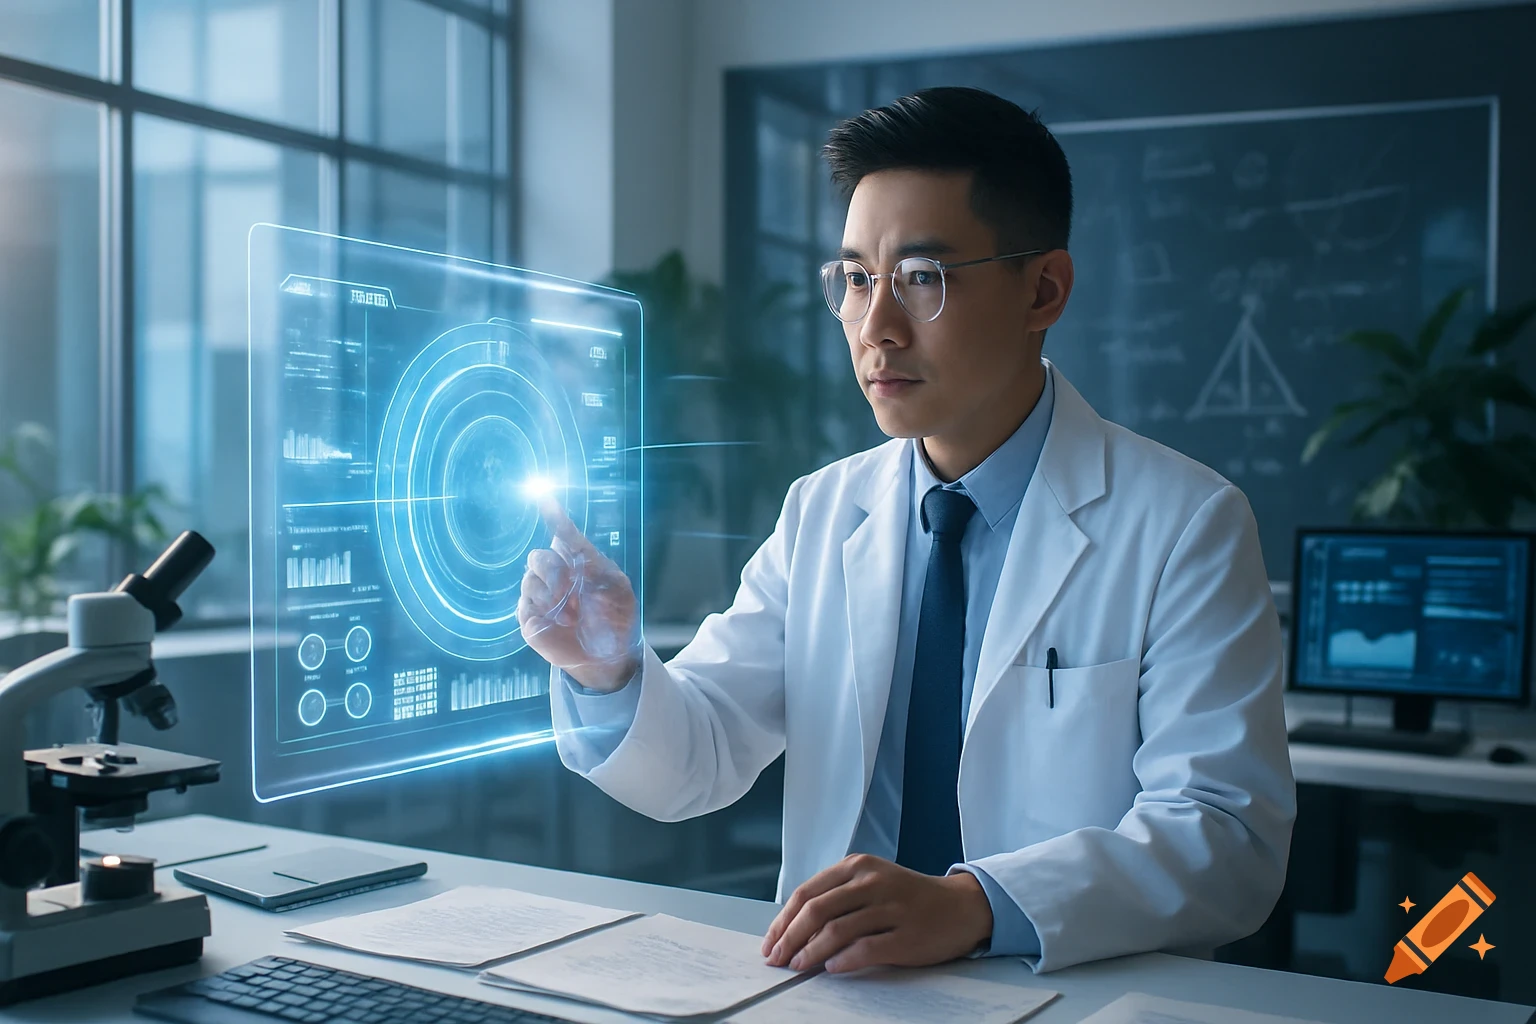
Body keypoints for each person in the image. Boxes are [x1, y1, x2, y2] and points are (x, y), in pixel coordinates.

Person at [517, 86, 1296, 975]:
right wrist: (606, 667)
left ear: (1043, 289)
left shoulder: (1186, 523)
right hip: (835, 993)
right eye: (855, 280)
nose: (875, 328)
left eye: (922, 279)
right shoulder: (822, 513)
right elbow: (701, 755)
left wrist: (973, 906)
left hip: (1064, 993)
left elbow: (1226, 838)